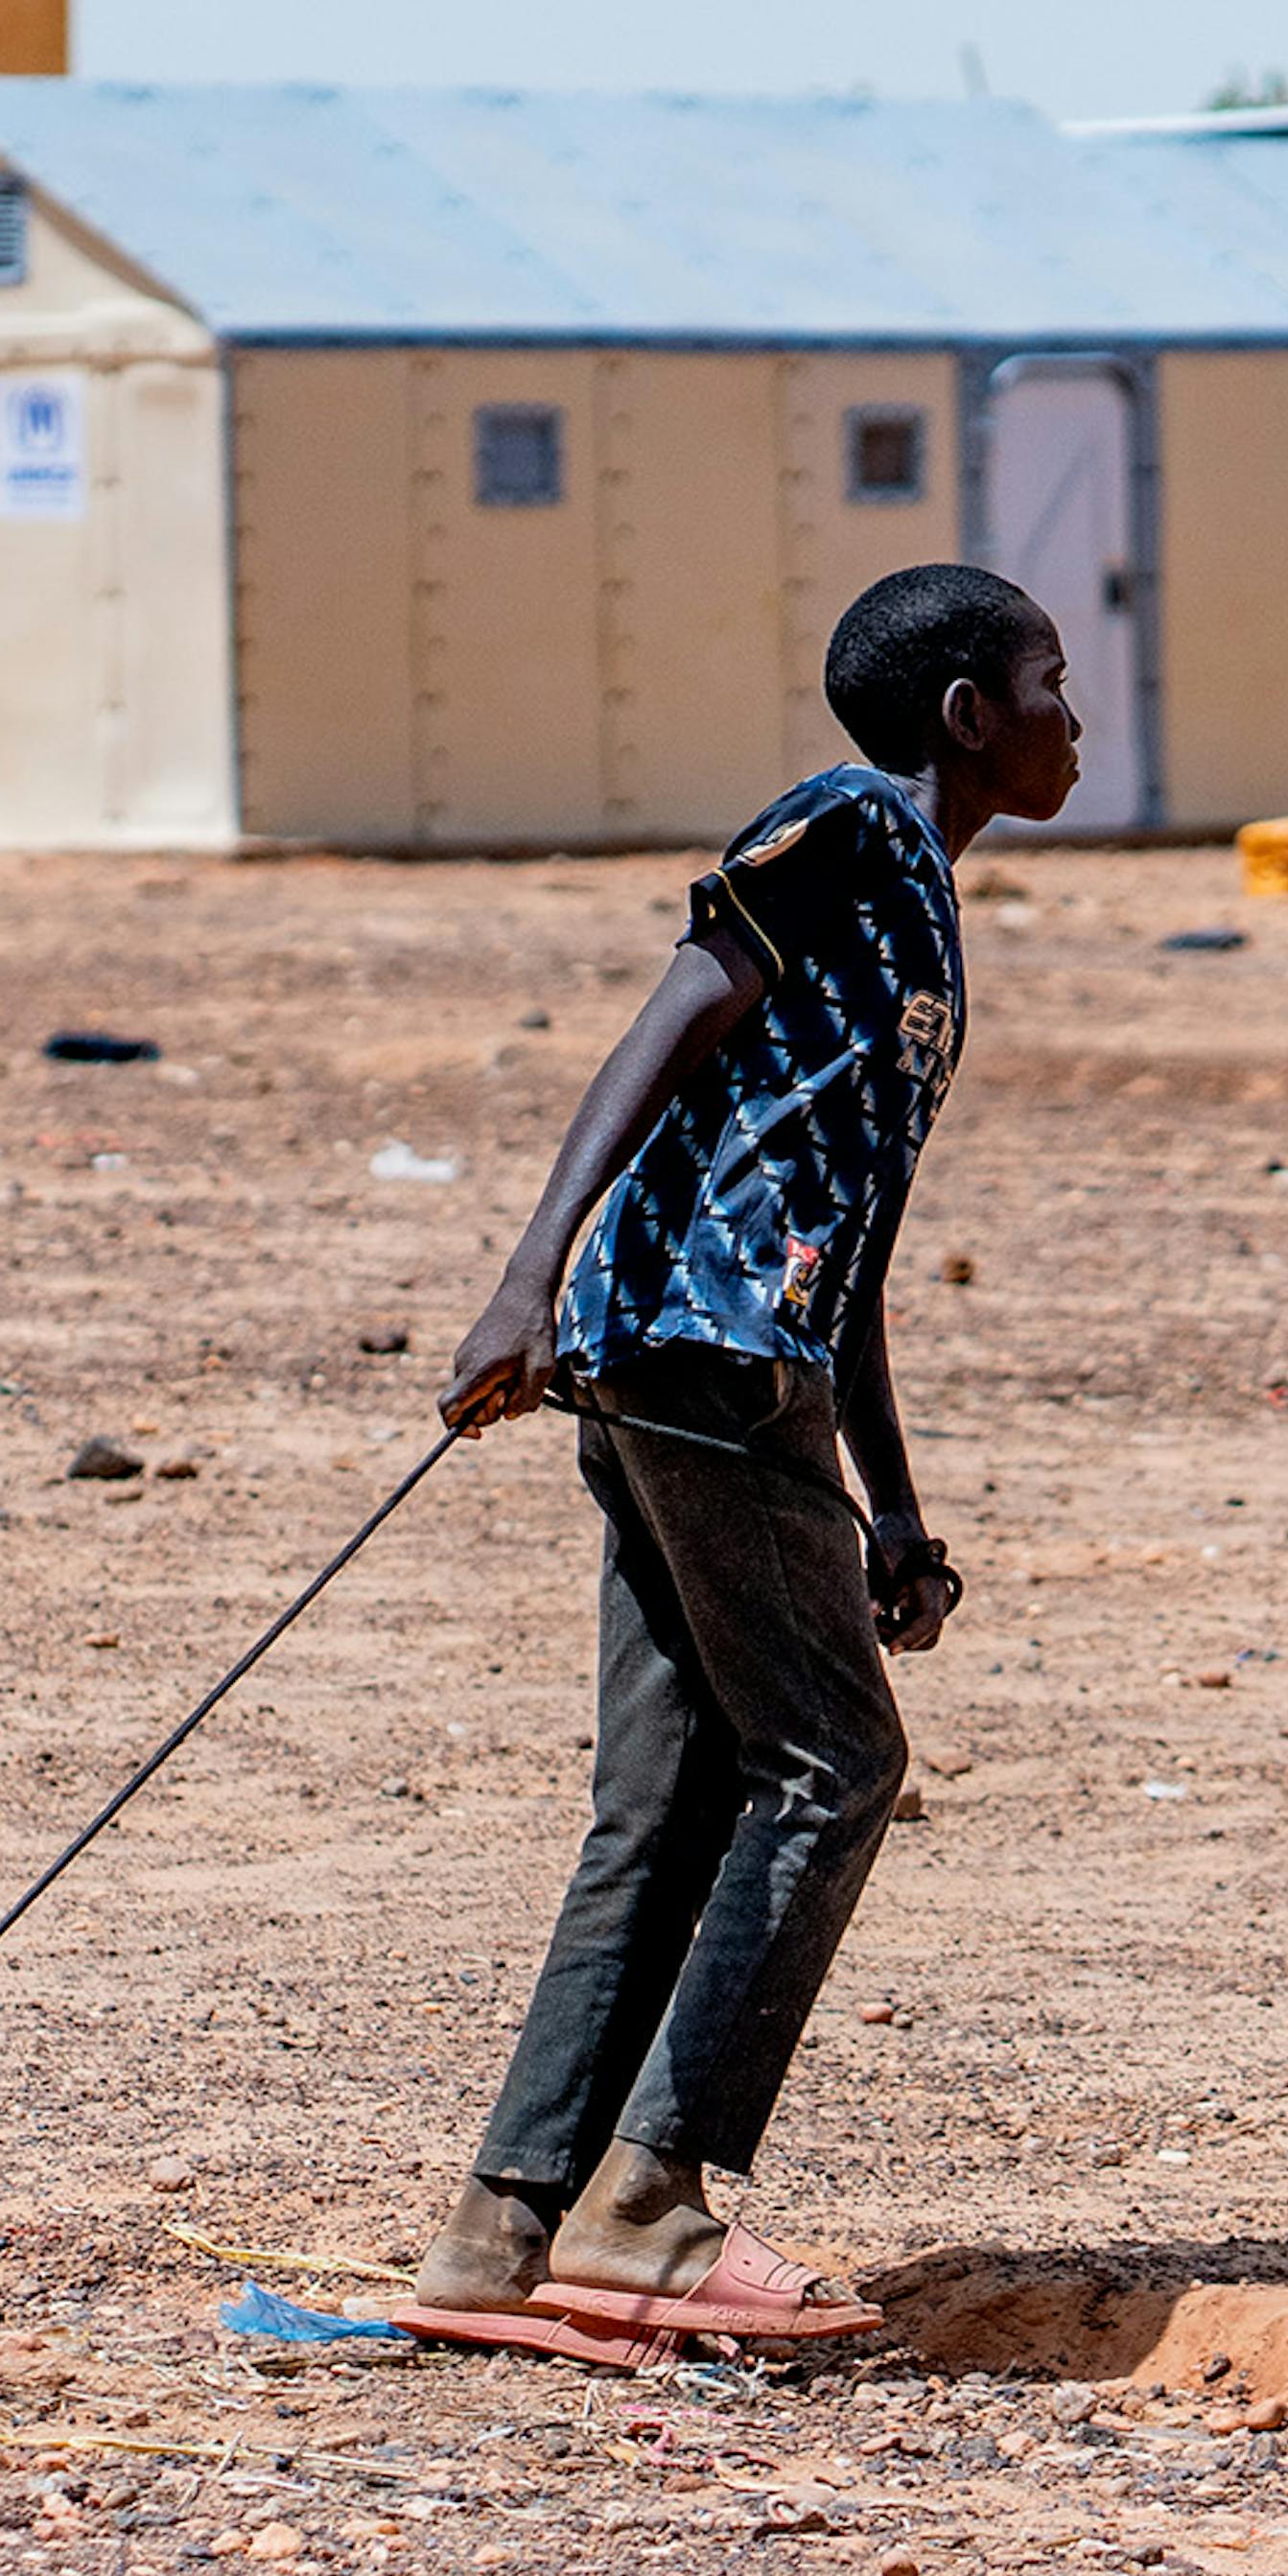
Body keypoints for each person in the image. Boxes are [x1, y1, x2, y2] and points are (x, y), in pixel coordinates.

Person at [404, 561, 1083, 2354]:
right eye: (1050, 683)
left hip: (730, 1355)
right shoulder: (849, 826)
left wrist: (899, 1513)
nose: (1074, 721)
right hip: (689, 1350)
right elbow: (670, 1016)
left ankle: (503, 2229)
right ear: (968, 716)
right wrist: (518, 1279)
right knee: (835, 1764)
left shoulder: (923, 910)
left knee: (680, 1788)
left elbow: (844, 1242)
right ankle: (649, 2203)